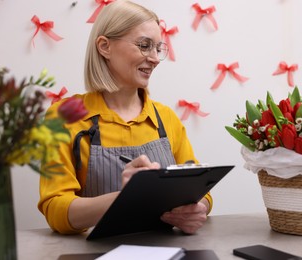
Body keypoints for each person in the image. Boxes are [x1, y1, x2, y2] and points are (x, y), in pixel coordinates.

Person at [38, 0, 212, 235]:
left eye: (158, 48)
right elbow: (55, 209)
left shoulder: (166, 118)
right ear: (104, 46)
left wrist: (196, 209)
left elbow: (202, 190)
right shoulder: (63, 117)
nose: (154, 58)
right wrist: (126, 199)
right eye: (144, 45)